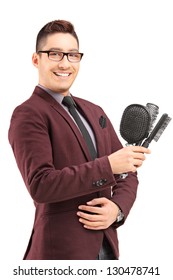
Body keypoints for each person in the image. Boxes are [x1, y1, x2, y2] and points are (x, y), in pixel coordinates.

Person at [8, 20, 150, 260]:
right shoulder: (28, 113)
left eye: (73, 55)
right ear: (36, 59)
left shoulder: (95, 111)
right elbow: (40, 185)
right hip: (60, 255)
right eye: (55, 54)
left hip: (107, 250)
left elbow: (128, 172)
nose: (65, 63)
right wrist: (108, 167)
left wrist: (117, 209)